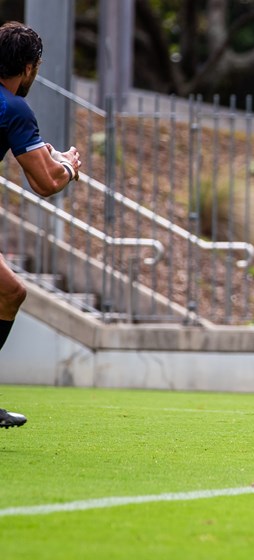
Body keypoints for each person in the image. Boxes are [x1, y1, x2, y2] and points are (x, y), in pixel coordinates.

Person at [0, 21, 82, 429]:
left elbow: (34, 160)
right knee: (9, 293)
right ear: (29, 68)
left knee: (9, 292)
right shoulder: (14, 108)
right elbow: (46, 183)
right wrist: (69, 165)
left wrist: (47, 156)